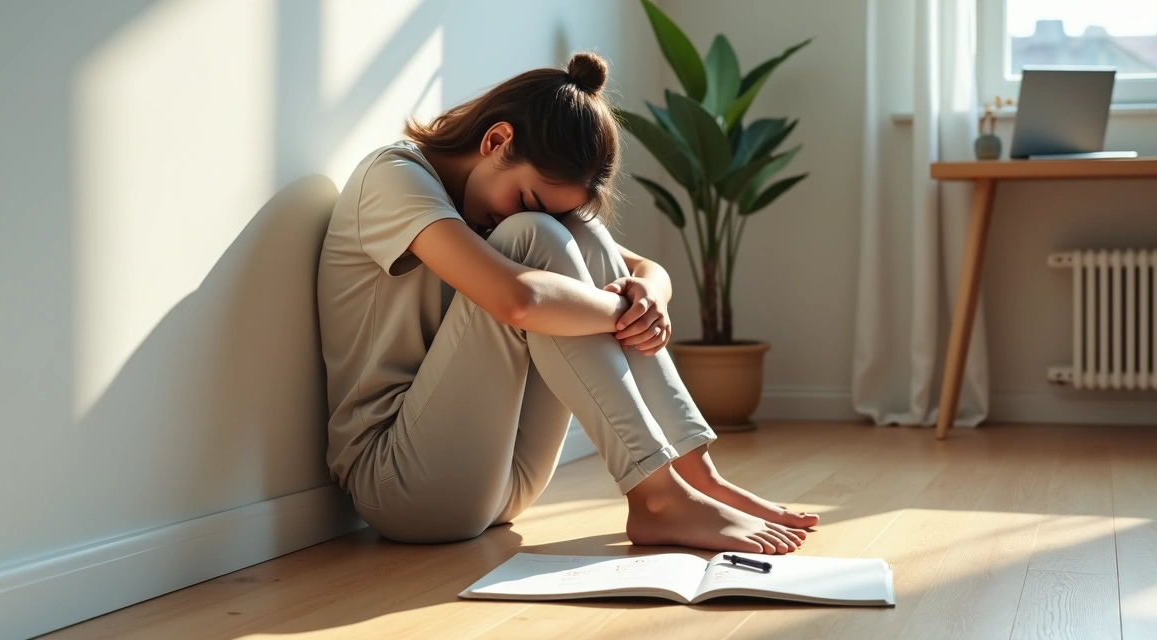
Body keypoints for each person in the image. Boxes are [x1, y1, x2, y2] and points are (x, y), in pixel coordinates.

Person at [317, 52, 818, 554]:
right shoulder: (393, 176)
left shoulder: (503, 200)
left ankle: (698, 479)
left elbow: (643, 269)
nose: (519, 211)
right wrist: (626, 314)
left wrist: (651, 298)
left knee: (581, 235)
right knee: (535, 236)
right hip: (401, 482)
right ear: (496, 141)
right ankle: (658, 496)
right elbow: (518, 300)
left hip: (503, 480)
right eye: (524, 195)